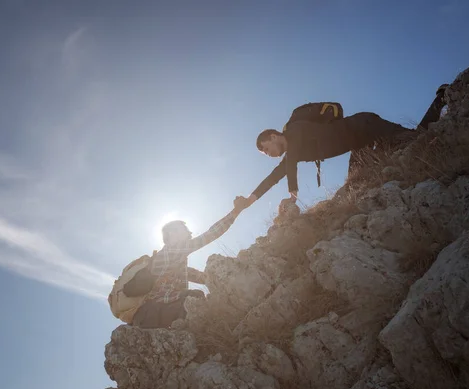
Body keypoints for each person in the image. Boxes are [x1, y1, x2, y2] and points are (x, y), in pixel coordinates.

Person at [236, 84, 449, 209]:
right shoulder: (294, 153)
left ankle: (443, 97)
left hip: (366, 125)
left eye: (266, 149)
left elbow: (290, 163)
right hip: (361, 144)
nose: (268, 154)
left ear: (274, 136)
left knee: (416, 140)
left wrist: (293, 191)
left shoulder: (296, 127)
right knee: (354, 187)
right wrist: (249, 200)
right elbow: (273, 177)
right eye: (264, 154)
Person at [122, 199, 245, 329]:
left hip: (153, 314)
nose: (190, 233)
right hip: (153, 313)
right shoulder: (172, 250)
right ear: (172, 234)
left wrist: (219, 279)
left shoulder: (171, 259)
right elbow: (209, 235)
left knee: (193, 298)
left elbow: (195, 275)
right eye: (185, 230)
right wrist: (236, 211)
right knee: (194, 298)